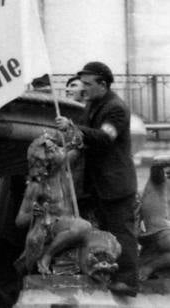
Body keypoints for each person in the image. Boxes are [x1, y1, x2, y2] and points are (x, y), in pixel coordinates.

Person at [56, 60, 139, 297]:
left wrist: (74, 127)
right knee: (101, 232)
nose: (83, 88)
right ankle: (104, 274)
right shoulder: (93, 105)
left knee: (121, 232)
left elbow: (104, 138)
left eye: (88, 84)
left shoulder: (116, 108)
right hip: (98, 185)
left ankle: (127, 281)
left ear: (103, 84)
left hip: (115, 185)